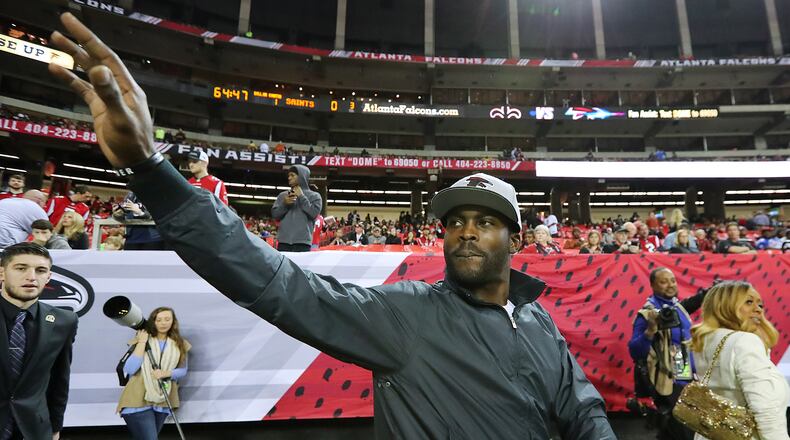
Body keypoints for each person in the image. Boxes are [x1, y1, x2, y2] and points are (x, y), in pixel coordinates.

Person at [49, 15, 615, 438]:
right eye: (456, 220)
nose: (465, 230)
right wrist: (153, 171)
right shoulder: (407, 314)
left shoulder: (538, 320)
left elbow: (582, 408)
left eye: (485, 221)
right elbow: (276, 282)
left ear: (515, 239)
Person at [690, 282, 789, 440]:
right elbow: (766, 411)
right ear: (724, 305)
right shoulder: (744, 341)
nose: (758, 309)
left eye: (760, 304)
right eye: (749, 302)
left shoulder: (705, 340)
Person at [0, 243, 78, 440]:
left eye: (40, 270)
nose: (32, 277)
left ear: (48, 277)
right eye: (21, 268)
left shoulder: (64, 320)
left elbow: (60, 379)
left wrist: (55, 427)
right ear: (2, 273)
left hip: (34, 429)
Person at [628, 268, 706, 440]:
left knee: (674, 430)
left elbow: (694, 302)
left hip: (683, 371)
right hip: (667, 378)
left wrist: (709, 292)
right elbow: (635, 350)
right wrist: (649, 331)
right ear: (653, 285)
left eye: (673, 280)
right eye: (664, 282)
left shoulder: (676, 306)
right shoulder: (647, 313)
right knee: (683, 430)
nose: (670, 285)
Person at [117, 307, 190, 440]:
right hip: (137, 400)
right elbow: (131, 368)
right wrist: (142, 342)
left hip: (162, 401)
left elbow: (183, 370)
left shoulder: (180, 344)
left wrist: (164, 373)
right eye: (159, 320)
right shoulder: (142, 340)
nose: (163, 323)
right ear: (153, 322)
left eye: (167, 319)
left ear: (173, 322)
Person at [271, 165, 322, 252]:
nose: (289, 178)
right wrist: (284, 204)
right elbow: (275, 215)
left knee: (300, 266)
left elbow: (313, 213)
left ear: (302, 176)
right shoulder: (283, 195)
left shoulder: (315, 196)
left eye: (292, 175)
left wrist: (301, 196)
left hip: (303, 243)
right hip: (283, 242)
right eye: (288, 176)